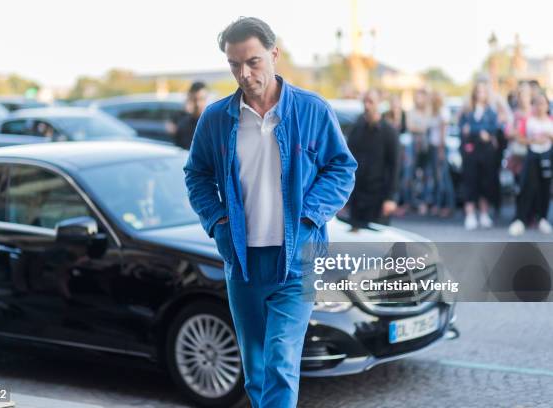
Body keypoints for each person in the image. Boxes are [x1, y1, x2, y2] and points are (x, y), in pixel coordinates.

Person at [183, 17, 356, 408]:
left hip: (297, 260)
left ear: (274, 54)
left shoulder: (312, 110)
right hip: (242, 261)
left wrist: (310, 214)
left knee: (280, 362)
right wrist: (220, 223)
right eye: (234, 64)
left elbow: (342, 168)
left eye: (253, 61)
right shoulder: (215, 119)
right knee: (257, 369)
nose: (244, 74)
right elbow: (196, 175)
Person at [347, 89, 399, 229]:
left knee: (377, 245)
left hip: (379, 197)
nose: (367, 105)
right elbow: (347, 163)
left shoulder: (389, 132)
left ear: (379, 104)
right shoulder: (356, 130)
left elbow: (394, 166)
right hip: (357, 196)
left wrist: (390, 198)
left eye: (371, 102)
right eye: (365, 101)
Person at [508, 92, 553, 236]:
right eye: (537, 103)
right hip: (532, 156)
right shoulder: (528, 120)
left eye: (543, 103)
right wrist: (533, 141)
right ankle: (521, 219)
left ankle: (543, 218)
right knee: (527, 186)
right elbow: (519, 138)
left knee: (545, 188)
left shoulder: (551, 120)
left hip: (548, 156)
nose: (540, 107)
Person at [458, 81, 499, 230]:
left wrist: (475, 130)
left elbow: (495, 127)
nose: (480, 94)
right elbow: (462, 128)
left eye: (483, 91)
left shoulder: (491, 111)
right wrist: (480, 131)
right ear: (474, 93)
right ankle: (470, 215)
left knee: (485, 181)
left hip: (486, 151)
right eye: (478, 91)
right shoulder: (467, 110)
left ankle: (483, 213)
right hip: (470, 150)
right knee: (470, 181)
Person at [425, 91, 454, 217]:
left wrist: (441, 150)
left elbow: (443, 132)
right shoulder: (433, 112)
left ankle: (448, 205)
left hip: (439, 148)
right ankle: (439, 204)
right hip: (434, 147)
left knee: (444, 178)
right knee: (437, 178)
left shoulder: (443, 111)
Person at [404, 89, 431, 215]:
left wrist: (418, 127)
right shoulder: (411, 111)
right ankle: (409, 202)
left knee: (426, 175)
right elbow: (410, 126)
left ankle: (424, 203)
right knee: (409, 174)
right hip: (413, 145)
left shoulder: (428, 111)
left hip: (425, 146)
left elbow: (427, 126)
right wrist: (421, 128)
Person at [174, 81, 208, 150]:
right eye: (195, 100)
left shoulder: (216, 124)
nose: (198, 104)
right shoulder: (183, 125)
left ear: (207, 99)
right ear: (190, 99)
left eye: (201, 99)